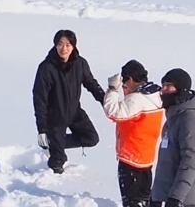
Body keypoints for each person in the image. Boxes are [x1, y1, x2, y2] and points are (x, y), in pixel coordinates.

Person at [32, 29, 104, 174]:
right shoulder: (46, 67)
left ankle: (53, 143)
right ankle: (55, 157)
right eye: (60, 44)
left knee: (91, 138)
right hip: (55, 116)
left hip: (74, 112)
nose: (63, 49)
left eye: (68, 45)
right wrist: (42, 129)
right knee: (57, 163)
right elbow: (39, 98)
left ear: (74, 46)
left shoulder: (80, 64)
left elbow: (91, 84)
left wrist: (105, 100)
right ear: (55, 45)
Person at [101, 59, 165, 207]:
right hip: (147, 157)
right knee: (145, 198)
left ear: (130, 79)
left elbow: (114, 113)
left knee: (131, 202)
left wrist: (112, 89)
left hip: (131, 158)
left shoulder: (137, 99)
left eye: (124, 84)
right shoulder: (156, 94)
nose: (124, 88)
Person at [150, 68, 195, 207]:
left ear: (181, 89)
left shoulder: (189, 119)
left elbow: (190, 161)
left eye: (169, 86)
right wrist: (155, 195)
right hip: (164, 197)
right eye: (163, 85)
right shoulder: (172, 118)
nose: (164, 90)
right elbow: (167, 163)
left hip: (183, 201)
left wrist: (176, 198)